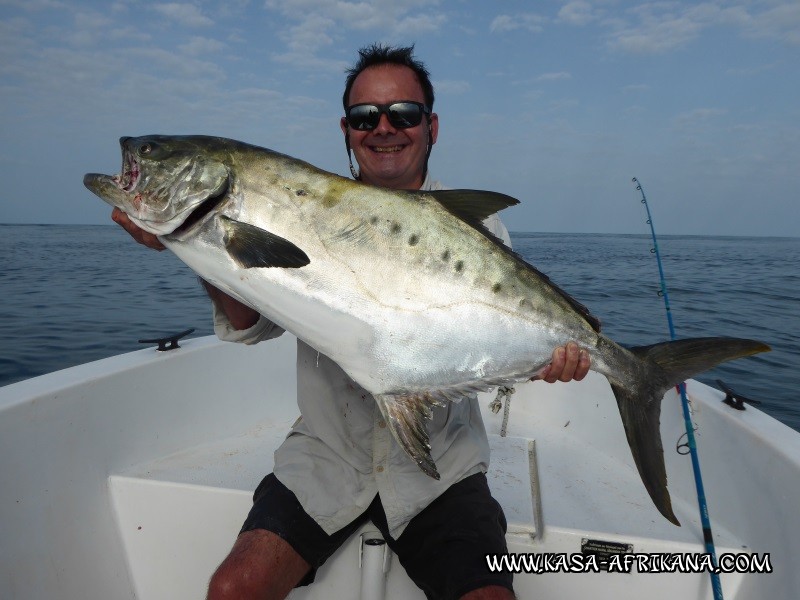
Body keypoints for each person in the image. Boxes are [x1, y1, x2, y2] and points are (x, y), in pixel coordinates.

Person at [113, 44, 590, 600]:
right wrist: (197, 243)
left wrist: (556, 356)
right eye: (366, 117)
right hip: (326, 455)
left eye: (403, 114)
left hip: (442, 466)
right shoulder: (294, 204)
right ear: (346, 128)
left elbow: (489, 340)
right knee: (231, 590)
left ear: (431, 126)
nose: (384, 128)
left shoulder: (478, 234)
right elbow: (249, 321)